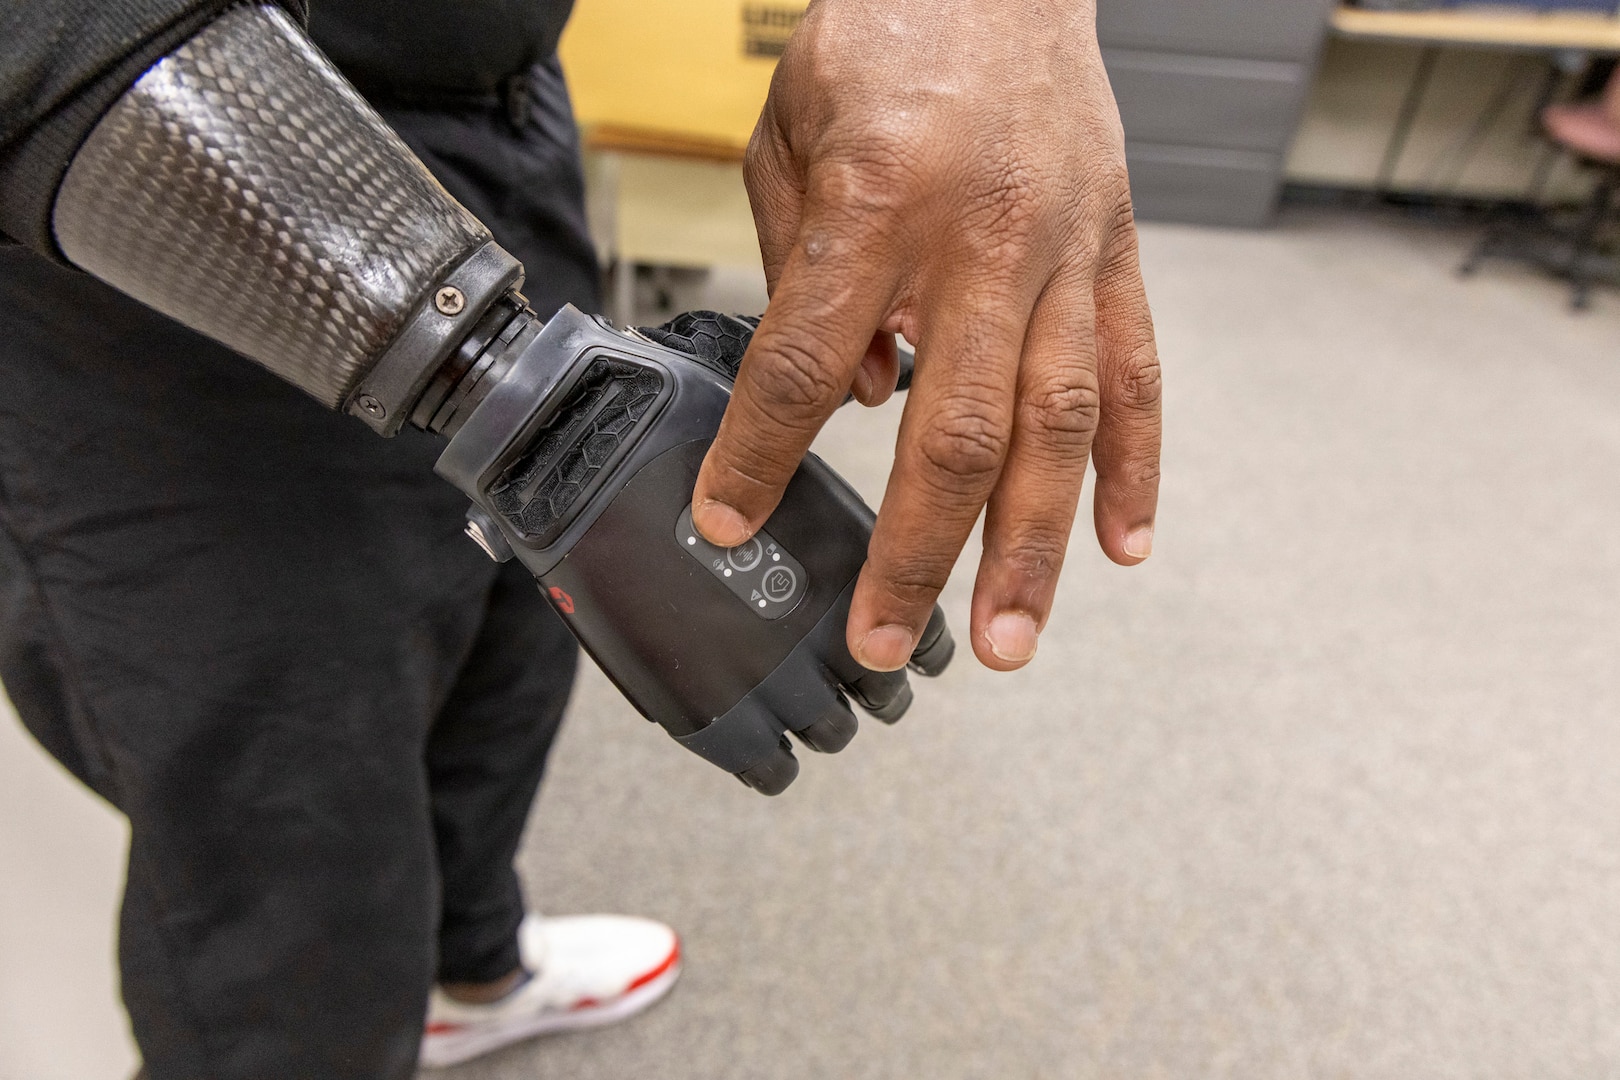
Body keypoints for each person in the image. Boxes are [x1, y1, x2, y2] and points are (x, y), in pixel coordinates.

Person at [0, 1, 1162, 1077]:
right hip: (150, 144)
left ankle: (471, 964)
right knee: (294, 814)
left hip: (498, 93)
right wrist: (539, 407)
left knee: (511, 642)